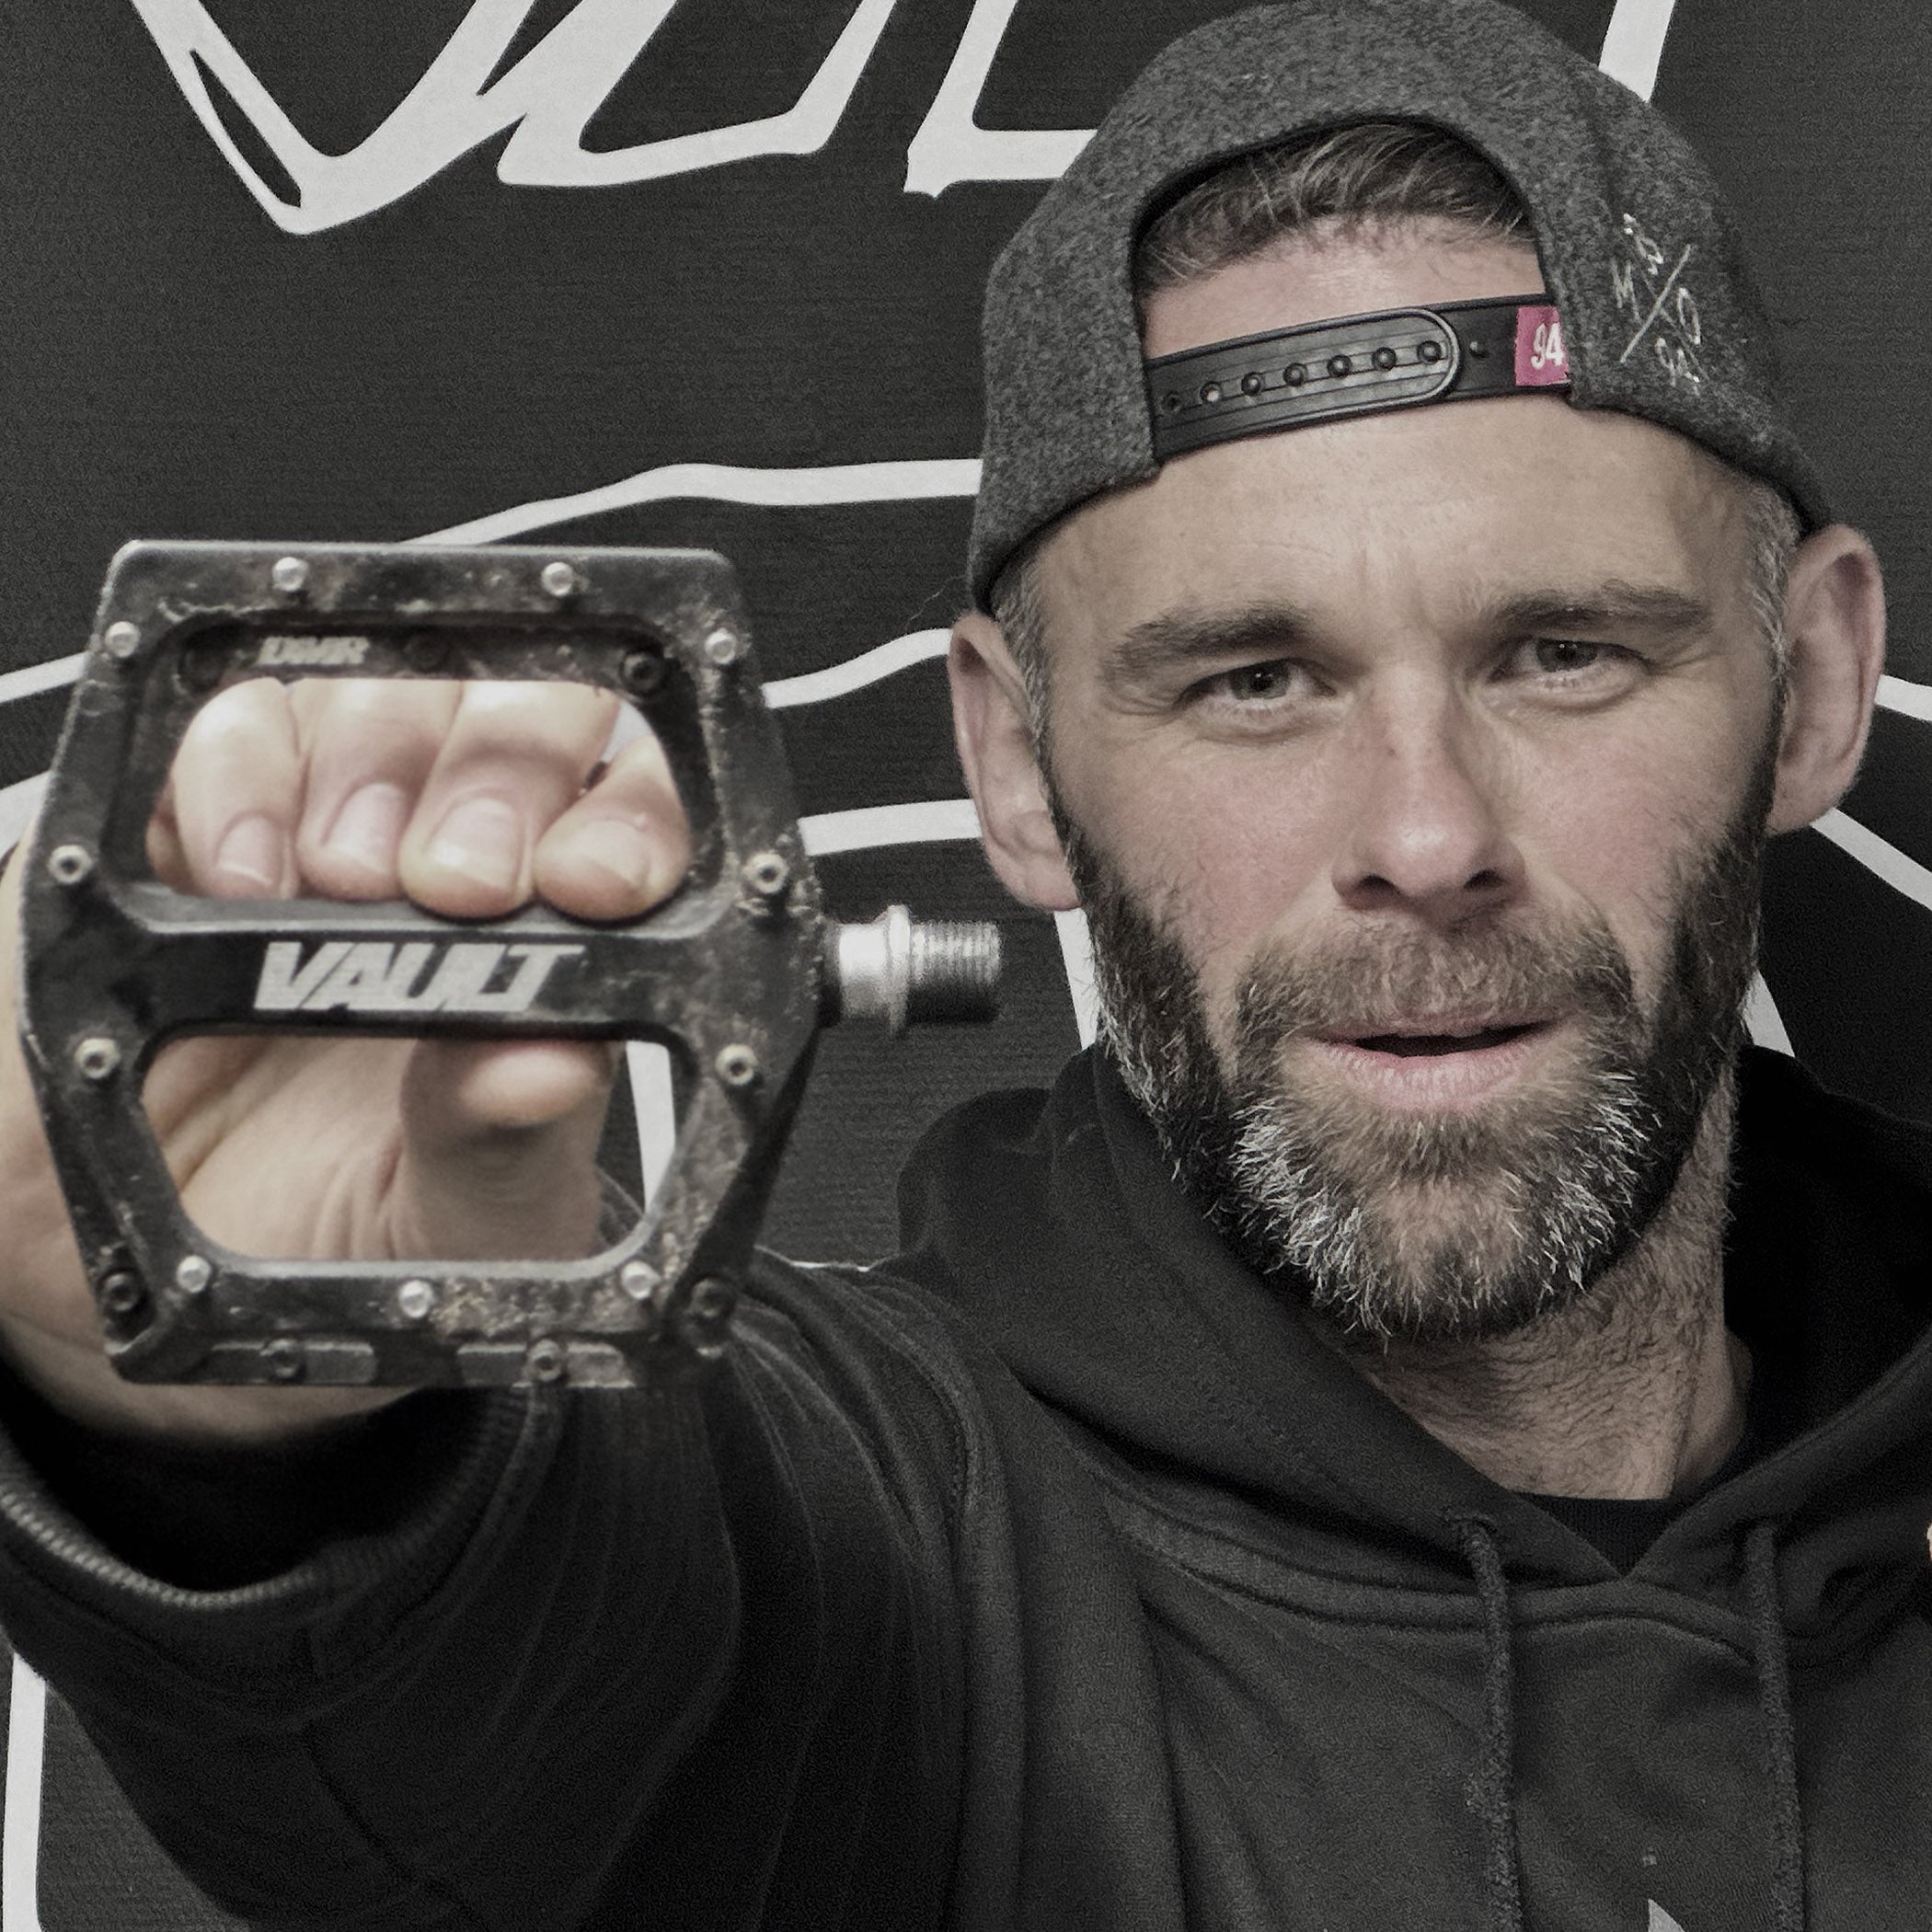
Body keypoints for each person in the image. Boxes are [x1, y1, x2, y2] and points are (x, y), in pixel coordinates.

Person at [0, 3, 1917, 1927]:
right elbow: (494, 1680)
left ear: (1814, 683)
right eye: (1254, 680)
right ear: (1013, 760)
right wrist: (266, 1379)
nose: (1425, 841)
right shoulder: (874, 1558)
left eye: (1563, 653)